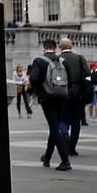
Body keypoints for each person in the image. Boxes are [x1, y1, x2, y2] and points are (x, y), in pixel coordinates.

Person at [30, 39, 72, 171]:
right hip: (61, 96)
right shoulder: (62, 61)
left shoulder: (39, 61)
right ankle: (47, 157)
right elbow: (69, 79)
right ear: (55, 48)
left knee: (54, 127)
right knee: (54, 125)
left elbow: (34, 78)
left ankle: (65, 160)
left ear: (44, 48)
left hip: (47, 97)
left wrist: (38, 91)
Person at [58, 38, 89, 154]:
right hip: (77, 93)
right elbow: (87, 73)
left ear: (60, 47)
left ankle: (65, 133)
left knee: (62, 118)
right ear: (71, 46)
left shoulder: (58, 59)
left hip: (61, 92)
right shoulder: (79, 58)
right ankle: (72, 146)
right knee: (76, 121)